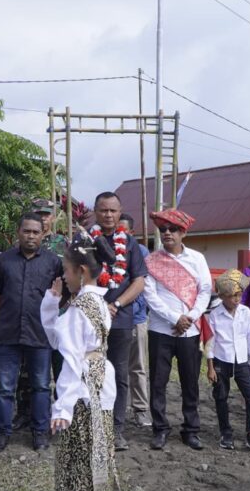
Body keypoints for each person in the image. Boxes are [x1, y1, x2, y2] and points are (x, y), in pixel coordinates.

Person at [42, 235, 119, 491]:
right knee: (95, 449)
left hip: (83, 389)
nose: (63, 274)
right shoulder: (98, 302)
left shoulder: (79, 309)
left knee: (79, 457)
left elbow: (72, 360)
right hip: (99, 384)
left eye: (66, 268)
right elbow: (61, 340)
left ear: (81, 271)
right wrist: (52, 303)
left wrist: (62, 406)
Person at [0, 213, 63, 453]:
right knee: (5, 388)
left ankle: (40, 433)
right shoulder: (4, 260)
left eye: (35, 232)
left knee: (41, 385)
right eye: (26, 231)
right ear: (18, 232)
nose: (30, 236)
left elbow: (62, 295)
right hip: (7, 334)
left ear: (43, 234)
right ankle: (2, 434)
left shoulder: (53, 262)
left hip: (40, 334)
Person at [143, 208, 211, 451]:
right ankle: (160, 429)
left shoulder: (197, 259)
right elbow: (150, 295)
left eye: (173, 229)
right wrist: (175, 318)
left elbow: (205, 291)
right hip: (161, 330)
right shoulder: (151, 261)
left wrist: (190, 318)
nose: (167, 233)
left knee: (190, 382)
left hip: (190, 332)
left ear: (183, 233)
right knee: (158, 382)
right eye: (163, 230)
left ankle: (190, 430)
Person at [90, 192, 148, 451]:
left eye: (113, 210)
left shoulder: (131, 244)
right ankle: (90, 426)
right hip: (90, 318)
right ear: (95, 211)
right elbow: (74, 276)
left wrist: (116, 304)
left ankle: (116, 429)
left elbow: (138, 281)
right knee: (90, 372)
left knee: (119, 373)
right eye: (104, 210)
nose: (109, 215)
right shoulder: (84, 240)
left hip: (120, 318)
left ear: (120, 210)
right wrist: (95, 305)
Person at [13, 198, 70, 431]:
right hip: (30, 318)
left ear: (53, 217)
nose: (44, 218)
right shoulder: (21, 245)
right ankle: (24, 412)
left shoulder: (63, 244)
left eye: (47, 214)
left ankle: (59, 414)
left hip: (58, 317)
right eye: (39, 213)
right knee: (26, 371)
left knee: (61, 368)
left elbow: (71, 277)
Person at [206, 269, 250, 454]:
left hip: (241, 361)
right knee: (221, 397)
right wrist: (210, 367)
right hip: (222, 361)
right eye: (231, 296)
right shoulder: (215, 314)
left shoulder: (245, 312)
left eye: (239, 295)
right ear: (222, 296)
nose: (236, 299)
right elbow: (210, 341)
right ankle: (226, 433)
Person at [119, 213, 152, 428]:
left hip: (137, 317)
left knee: (138, 365)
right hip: (112, 318)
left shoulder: (141, 252)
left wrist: (136, 308)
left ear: (131, 232)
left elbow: (144, 286)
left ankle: (140, 409)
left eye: (123, 230)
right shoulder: (103, 247)